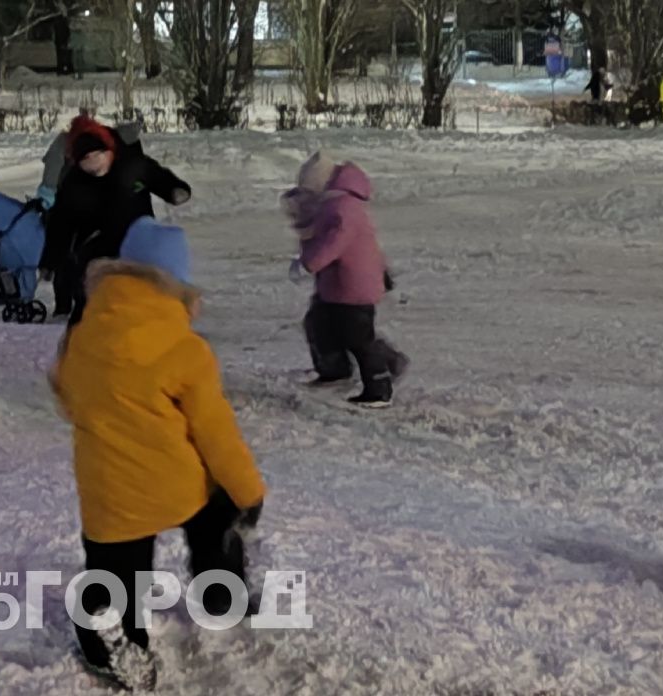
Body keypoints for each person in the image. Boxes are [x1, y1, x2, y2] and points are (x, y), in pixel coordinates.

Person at [50, 218, 267, 690]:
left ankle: (112, 638)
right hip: (177, 485)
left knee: (115, 572)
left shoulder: (84, 335)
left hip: (109, 495)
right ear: (178, 285)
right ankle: (221, 591)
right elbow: (216, 433)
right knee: (216, 515)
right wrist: (247, 490)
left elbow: (66, 395)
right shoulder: (186, 350)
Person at [284, 152, 408, 408]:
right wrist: (303, 223)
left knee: (357, 337)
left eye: (309, 191)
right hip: (337, 285)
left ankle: (380, 385)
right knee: (319, 324)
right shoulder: (331, 206)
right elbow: (316, 235)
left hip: (354, 286)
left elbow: (334, 243)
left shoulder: (343, 207)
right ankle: (334, 371)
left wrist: (310, 262)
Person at [43, 116, 191, 325]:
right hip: (96, 244)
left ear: (109, 152)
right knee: (90, 288)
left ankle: (159, 319)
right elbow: (61, 224)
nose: (93, 166)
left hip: (137, 236)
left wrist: (174, 190)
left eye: (97, 158)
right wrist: (50, 261)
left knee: (145, 282)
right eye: (86, 163)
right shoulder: (74, 184)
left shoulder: (132, 165)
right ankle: (85, 330)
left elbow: (158, 176)